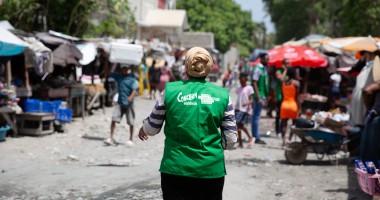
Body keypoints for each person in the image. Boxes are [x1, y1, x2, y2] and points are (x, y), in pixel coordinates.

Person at [138, 47, 237, 200]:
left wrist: (144, 128)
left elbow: (152, 128)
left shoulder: (170, 91)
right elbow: (231, 141)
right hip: (211, 170)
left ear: (186, 66)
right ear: (209, 67)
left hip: (175, 169)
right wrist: (211, 149)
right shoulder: (223, 95)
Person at [104, 65, 138, 146]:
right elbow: (108, 73)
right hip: (120, 102)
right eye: (123, 69)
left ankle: (131, 139)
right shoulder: (118, 77)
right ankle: (111, 138)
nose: (124, 71)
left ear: (128, 70)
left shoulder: (132, 79)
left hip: (129, 104)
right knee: (113, 119)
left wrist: (130, 97)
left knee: (131, 122)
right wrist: (107, 62)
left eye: (125, 69)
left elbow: (134, 90)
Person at [250, 53, 270, 145]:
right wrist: (258, 97)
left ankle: (256, 135)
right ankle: (255, 137)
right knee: (256, 116)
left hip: (263, 96)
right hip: (259, 96)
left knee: (257, 116)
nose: (267, 61)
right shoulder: (257, 69)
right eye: (266, 59)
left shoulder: (264, 69)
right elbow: (254, 83)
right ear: (261, 59)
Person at [279, 69, 300, 148]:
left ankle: (283, 141)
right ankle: (289, 140)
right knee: (293, 124)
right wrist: (299, 108)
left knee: (284, 124)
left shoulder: (284, 83)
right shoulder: (296, 83)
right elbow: (297, 97)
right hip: (293, 105)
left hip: (284, 105)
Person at [235, 72, 254, 148]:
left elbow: (252, 100)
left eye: (242, 80)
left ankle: (242, 142)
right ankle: (248, 139)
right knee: (240, 126)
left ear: (246, 80)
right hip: (238, 109)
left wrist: (247, 103)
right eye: (240, 80)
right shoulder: (239, 88)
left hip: (244, 110)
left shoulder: (249, 88)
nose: (241, 81)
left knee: (238, 126)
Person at [274, 59, 289, 138]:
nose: (288, 65)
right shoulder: (278, 72)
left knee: (284, 115)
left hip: (286, 97)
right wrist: (285, 70)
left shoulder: (288, 74)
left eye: (288, 64)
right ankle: (278, 131)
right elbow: (281, 79)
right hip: (279, 96)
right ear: (283, 64)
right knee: (278, 115)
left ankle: (282, 130)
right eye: (286, 64)